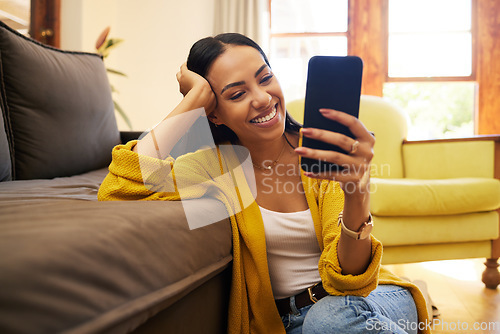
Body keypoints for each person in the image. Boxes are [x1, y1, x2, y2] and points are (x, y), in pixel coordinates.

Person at [98, 33, 430, 334]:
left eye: (265, 78)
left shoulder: (320, 154)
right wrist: (193, 99)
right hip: (286, 323)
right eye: (238, 93)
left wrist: (356, 195)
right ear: (214, 112)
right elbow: (121, 187)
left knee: (330, 320)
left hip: (367, 297)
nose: (261, 98)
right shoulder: (215, 168)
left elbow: (351, 281)